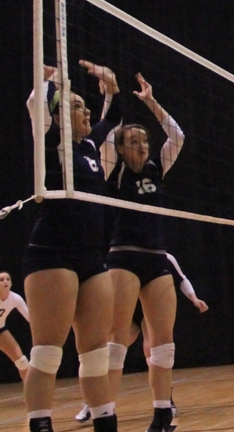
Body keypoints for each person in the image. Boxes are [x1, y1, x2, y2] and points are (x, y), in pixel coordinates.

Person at [23, 61, 121, 432]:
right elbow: (37, 104)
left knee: (97, 355)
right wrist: (51, 80)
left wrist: (110, 88)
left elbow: (113, 117)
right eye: (78, 106)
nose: (87, 112)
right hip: (52, 254)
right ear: (61, 113)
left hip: (92, 259)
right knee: (47, 354)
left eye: (85, 106)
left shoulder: (92, 146)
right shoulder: (51, 141)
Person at [97, 73, 184, 432]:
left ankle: (163, 413)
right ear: (120, 147)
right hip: (123, 257)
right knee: (117, 340)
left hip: (156, 258)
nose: (143, 144)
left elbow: (177, 136)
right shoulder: (113, 170)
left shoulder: (156, 168)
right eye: (134, 140)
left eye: (144, 138)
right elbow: (103, 138)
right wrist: (109, 99)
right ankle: (107, 414)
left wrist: (151, 102)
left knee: (163, 343)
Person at [75, 252, 208, 425]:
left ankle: (166, 403)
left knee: (154, 352)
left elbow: (182, 279)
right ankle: (95, 403)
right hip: (128, 311)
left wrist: (194, 298)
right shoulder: (117, 257)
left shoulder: (165, 258)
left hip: (148, 311)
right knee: (110, 353)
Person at [0, 271, 30, 380]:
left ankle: (30, 393)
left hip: (1, 330)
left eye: (8, 279)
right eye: (2, 280)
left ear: (11, 284)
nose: (5, 282)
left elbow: (29, 318)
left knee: (22, 362)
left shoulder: (15, 298)